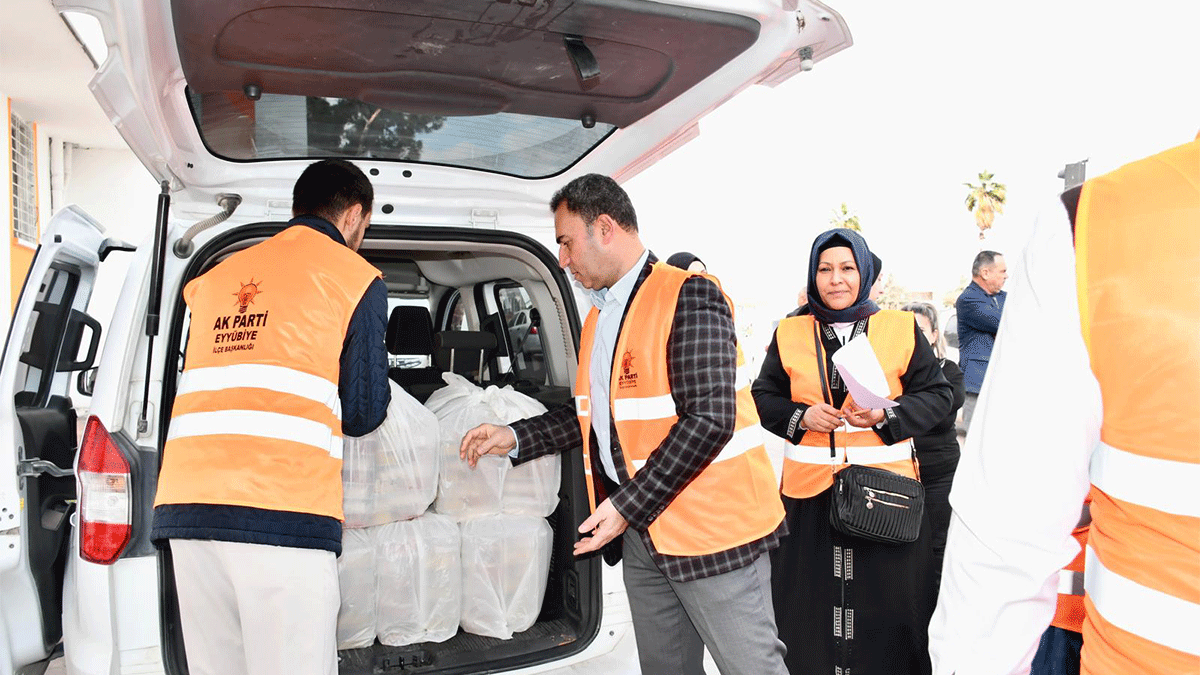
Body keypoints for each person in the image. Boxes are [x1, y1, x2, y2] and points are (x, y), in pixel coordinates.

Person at [460, 173, 788, 675]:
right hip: (645, 534)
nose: (563, 259)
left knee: (751, 668)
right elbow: (595, 417)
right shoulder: (599, 317)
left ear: (606, 228)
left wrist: (623, 506)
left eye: (567, 243)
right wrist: (516, 436)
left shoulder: (688, 296)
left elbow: (710, 420)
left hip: (712, 533)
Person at [929, 137, 1199, 674]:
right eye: (998, 273)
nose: (1003, 278)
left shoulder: (1097, 224)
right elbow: (1008, 527)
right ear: (982, 274)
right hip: (987, 386)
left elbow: (1001, 541)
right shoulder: (1079, 234)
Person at [151, 159, 391, 675]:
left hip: (188, 511)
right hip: (282, 513)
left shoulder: (217, 276)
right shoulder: (353, 277)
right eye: (366, 226)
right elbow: (363, 412)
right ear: (354, 215)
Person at [752, 228, 953, 675]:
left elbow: (939, 396)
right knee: (808, 607)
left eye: (846, 268)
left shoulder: (900, 328)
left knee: (890, 610)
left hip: (887, 498)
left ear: (863, 273)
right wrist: (801, 416)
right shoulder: (789, 331)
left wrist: (886, 416)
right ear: (813, 276)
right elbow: (763, 397)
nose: (835, 279)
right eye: (825, 269)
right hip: (808, 499)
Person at [900, 301, 964, 606]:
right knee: (902, 547)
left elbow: (943, 411)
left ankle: (937, 614)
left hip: (940, 475)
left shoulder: (948, 371)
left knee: (939, 547)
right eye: (906, 331)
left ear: (936, 335)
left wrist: (898, 410)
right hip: (899, 475)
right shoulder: (890, 375)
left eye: (921, 330)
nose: (914, 337)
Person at [955, 250, 1007, 431]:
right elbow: (1004, 322)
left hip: (1001, 381)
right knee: (975, 435)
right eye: (1002, 271)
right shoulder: (968, 299)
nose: (1006, 276)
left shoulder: (1004, 298)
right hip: (978, 384)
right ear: (985, 273)